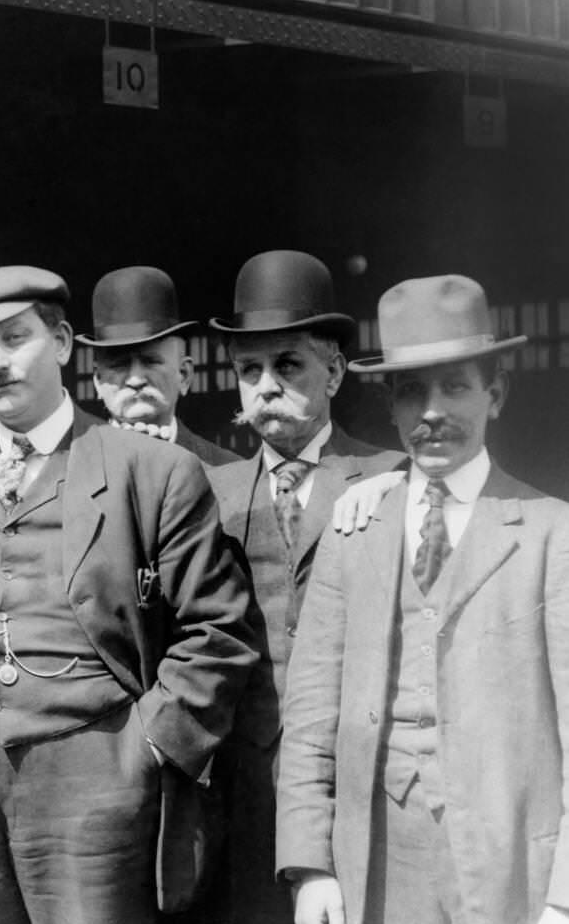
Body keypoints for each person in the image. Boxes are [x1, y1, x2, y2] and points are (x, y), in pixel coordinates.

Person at [0, 265, 257, 924]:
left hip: (99, 789)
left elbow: (219, 629)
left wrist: (147, 748)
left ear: (66, 344)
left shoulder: (151, 470)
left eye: (15, 338)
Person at [276, 274, 569, 924]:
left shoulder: (552, 532)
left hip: (511, 870)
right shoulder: (352, 530)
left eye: (455, 385)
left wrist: (562, 895)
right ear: (390, 406)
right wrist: (312, 865)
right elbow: (310, 717)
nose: (432, 410)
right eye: (411, 390)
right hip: (376, 865)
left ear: (495, 394)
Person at [203, 249, 401, 923]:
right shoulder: (207, 494)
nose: (264, 385)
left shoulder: (389, 479)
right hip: (242, 792)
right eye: (248, 369)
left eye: (287, 365)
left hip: (357, 783)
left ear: (336, 371)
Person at [79, 265, 238, 465]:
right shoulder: (71, 472)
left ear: (184, 375)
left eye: (151, 361)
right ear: (97, 381)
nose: (135, 380)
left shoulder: (228, 473)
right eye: (119, 364)